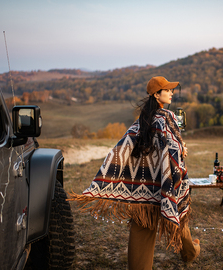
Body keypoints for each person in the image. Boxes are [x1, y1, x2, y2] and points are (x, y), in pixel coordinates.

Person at [70, 76, 200, 269]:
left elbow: (123, 147)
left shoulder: (142, 121)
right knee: (178, 219)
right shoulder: (168, 117)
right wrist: (182, 149)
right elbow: (176, 147)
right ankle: (190, 253)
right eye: (168, 89)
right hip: (165, 183)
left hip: (144, 189)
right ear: (157, 94)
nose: (172, 92)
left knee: (141, 232)